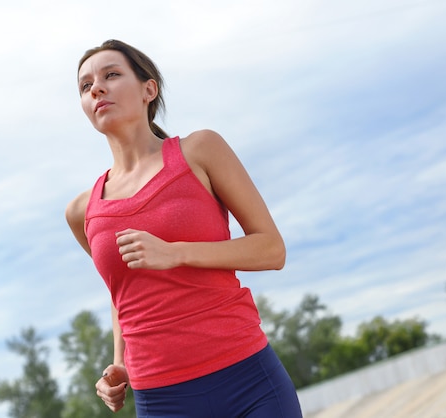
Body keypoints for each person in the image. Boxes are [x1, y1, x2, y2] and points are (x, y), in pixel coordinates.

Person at [65, 39, 303, 418]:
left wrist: (176, 252)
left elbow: (272, 249)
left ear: (149, 89)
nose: (97, 88)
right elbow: (122, 294)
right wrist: (119, 362)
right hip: (162, 401)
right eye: (85, 85)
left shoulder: (200, 151)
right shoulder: (82, 211)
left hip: (247, 379)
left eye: (111, 75)